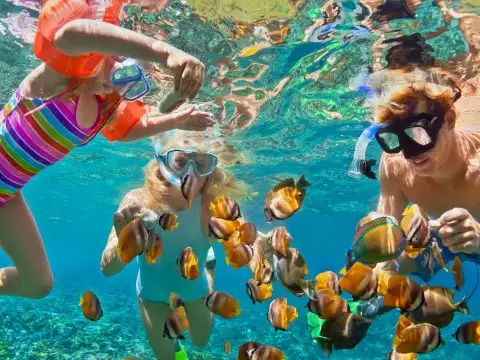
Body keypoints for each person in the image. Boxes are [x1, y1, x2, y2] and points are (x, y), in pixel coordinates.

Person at [0, 0, 214, 300]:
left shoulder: (104, 109)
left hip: (6, 195)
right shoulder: (59, 77)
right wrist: (166, 53)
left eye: (131, 84)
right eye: (120, 66)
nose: (116, 83)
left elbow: (131, 130)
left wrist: (176, 119)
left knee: (38, 284)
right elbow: (72, 33)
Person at [100, 130, 248, 360]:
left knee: (200, 342)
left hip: (195, 287)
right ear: (162, 162)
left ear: (212, 169)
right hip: (152, 292)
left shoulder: (214, 204)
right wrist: (124, 244)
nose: (190, 173)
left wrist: (264, 246)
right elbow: (107, 269)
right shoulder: (138, 200)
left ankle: (208, 269)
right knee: (166, 357)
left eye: (201, 163)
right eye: (180, 162)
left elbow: (247, 237)